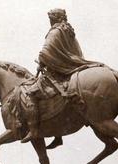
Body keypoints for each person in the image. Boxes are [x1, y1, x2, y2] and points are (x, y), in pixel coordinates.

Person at [21, 8, 100, 143]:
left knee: (31, 93)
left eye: (50, 18)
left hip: (59, 72)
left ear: (54, 18)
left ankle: (33, 131)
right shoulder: (69, 31)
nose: (50, 21)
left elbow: (46, 51)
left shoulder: (55, 31)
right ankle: (58, 136)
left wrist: (41, 61)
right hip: (72, 68)